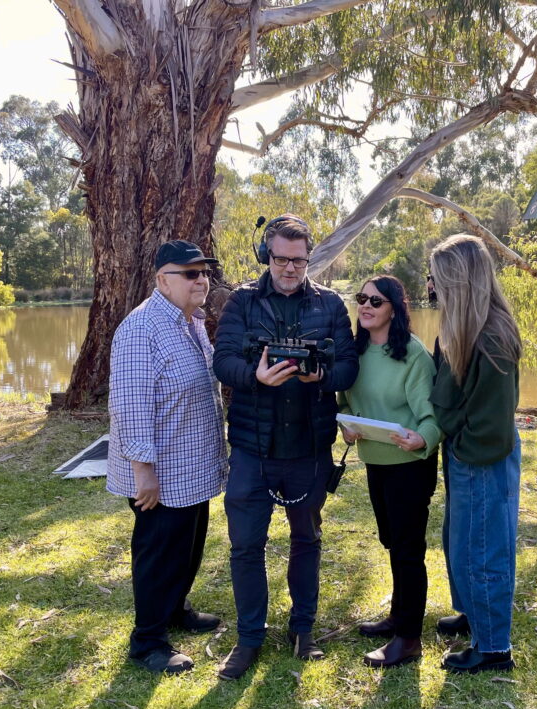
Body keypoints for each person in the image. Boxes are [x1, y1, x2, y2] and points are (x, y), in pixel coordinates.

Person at [212, 214, 358, 680]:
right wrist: (253, 376)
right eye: (281, 259)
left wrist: (321, 377)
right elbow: (223, 360)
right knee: (246, 547)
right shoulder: (241, 301)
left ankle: (303, 630)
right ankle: (249, 638)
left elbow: (349, 369)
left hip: (309, 447)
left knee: (307, 540)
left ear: (308, 259)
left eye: (298, 260)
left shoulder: (331, 305)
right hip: (253, 447)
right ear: (266, 256)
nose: (290, 268)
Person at [106, 240, 228, 675]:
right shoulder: (142, 329)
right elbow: (130, 404)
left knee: (188, 546)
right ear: (162, 279)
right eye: (190, 273)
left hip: (191, 467)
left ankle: (175, 610)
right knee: (159, 553)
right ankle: (148, 642)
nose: (202, 280)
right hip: (160, 473)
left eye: (205, 272)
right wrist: (144, 471)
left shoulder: (189, 322)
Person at [428, 234, 522, 674]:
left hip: (480, 458)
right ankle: (473, 614)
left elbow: (491, 427)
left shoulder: (492, 337)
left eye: (439, 279)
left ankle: (493, 646)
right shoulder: (462, 328)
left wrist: (462, 450)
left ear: (461, 281)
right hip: (464, 454)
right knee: (459, 541)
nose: (432, 287)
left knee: (483, 548)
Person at [338, 276, 441, 668]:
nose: (365, 306)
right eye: (361, 298)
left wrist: (423, 438)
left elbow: (434, 416)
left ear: (394, 310)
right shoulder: (356, 350)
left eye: (375, 301)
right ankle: (399, 616)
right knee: (391, 541)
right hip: (376, 462)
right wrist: (346, 427)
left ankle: (409, 638)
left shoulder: (413, 356)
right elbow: (345, 398)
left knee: (408, 550)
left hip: (409, 466)